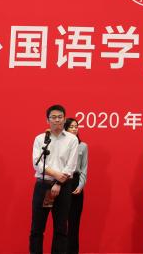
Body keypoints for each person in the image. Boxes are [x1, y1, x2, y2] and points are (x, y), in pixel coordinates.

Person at [30, 104, 78, 254]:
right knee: (37, 228)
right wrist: (56, 175)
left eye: (60, 117)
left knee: (61, 228)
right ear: (47, 120)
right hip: (44, 186)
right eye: (53, 117)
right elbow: (37, 163)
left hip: (63, 187)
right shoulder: (40, 139)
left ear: (64, 119)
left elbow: (71, 165)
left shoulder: (72, 139)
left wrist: (58, 182)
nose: (57, 120)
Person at [64, 117, 89, 254]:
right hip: (62, 182)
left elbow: (84, 168)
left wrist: (80, 186)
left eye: (76, 126)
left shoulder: (83, 146)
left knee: (74, 223)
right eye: (71, 127)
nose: (74, 129)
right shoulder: (60, 145)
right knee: (61, 223)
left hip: (76, 182)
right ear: (65, 129)